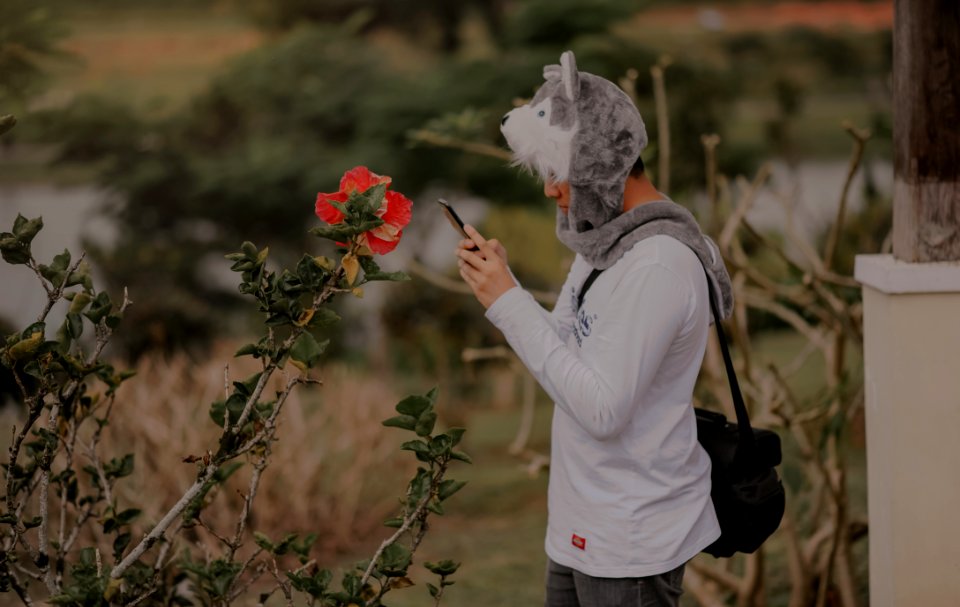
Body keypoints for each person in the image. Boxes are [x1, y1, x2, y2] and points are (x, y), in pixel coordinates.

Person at [454, 51, 734, 607]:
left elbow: (604, 410)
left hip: (628, 538)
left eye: (556, 173)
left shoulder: (657, 265)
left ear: (595, 163)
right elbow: (565, 347)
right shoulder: (605, 245)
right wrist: (505, 288)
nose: (550, 191)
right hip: (581, 527)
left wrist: (508, 303)